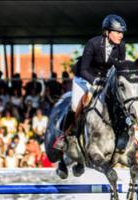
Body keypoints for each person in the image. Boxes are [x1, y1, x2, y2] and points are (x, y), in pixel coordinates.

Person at [54, 14, 127, 150]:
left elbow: (119, 69)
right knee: (76, 105)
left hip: (104, 80)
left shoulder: (121, 47)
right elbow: (83, 69)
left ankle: (123, 135)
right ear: (107, 32)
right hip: (84, 78)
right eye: (118, 32)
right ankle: (64, 136)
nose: (121, 35)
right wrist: (95, 81)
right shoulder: (93, 43)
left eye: (122, 32)